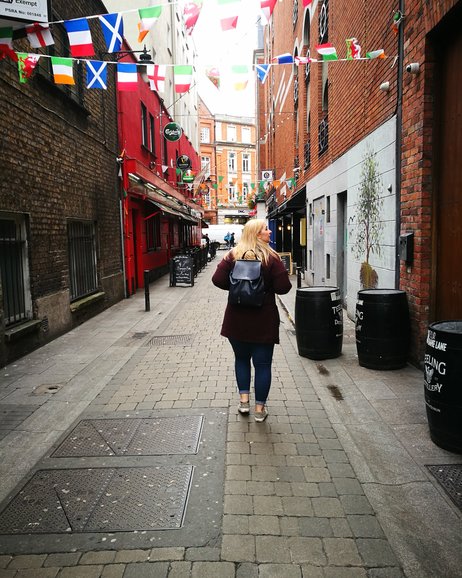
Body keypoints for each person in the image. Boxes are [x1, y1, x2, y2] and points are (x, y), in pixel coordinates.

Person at [212, 219, 292, 422]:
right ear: (257, 234)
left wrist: (238, 289)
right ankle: (259, 410)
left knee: (241, 360)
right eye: (266, 229)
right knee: (263, 365)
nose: (270, 232)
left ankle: (244, 402)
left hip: (236, 319)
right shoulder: (271, 257)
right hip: (263, 319)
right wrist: (265, 289)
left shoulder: (232, 255)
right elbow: (284, 287)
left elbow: (217, 280)